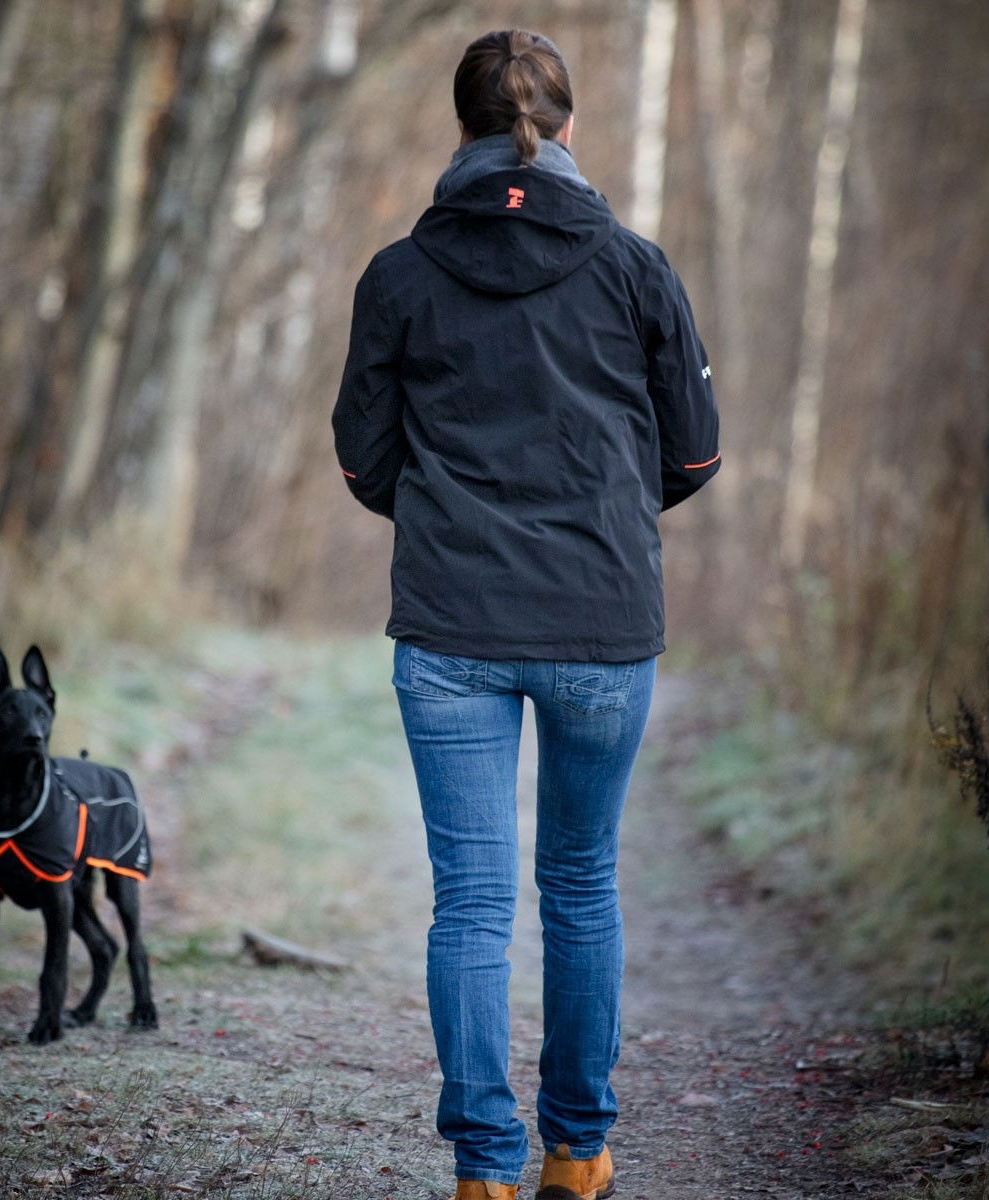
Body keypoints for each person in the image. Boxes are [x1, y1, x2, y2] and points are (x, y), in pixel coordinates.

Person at [331, 28, 719, 1200]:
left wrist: (450, 521)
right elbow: (695, 456)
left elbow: (363, 459)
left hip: (450, 628)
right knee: (582, 884)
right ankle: (579, 1152)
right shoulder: (637, 268)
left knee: (472, 902)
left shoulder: (398, 276)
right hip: (602, 625)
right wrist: (603, 519)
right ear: (569, 128)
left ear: (460, 132)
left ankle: (486, 1171)